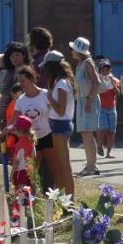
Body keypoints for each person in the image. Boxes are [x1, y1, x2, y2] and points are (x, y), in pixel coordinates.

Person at [43, 55, 76, 194]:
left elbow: (61, 111)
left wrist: (50, 99)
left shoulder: (62, 84)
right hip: (60, 124)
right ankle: (63, 198)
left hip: (60, 125)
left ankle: (70, 200)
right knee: (62, 164)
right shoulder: (62, 82)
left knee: (64, 166)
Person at [68, 37, 101, 176]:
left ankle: (92, 165)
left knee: (88, 133)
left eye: (73, 49)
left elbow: (96, 82)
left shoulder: (88, 63)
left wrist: (89, 100)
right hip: (82, 100)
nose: (71, 52)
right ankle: (90, 164)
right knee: (85, 133)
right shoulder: (80, 64)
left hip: (89, 100)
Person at [96, 58, 119, 159]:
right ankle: (99, 145)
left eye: (107, 70)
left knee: (111, 131)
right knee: (103, 128)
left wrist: (113, 84)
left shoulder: (113, 80)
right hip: (101, 108)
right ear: (99, 71)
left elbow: (118, 95)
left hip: (112, 108)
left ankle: (109, 152)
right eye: (103, 70)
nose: (105, 72)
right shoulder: (97, 81)